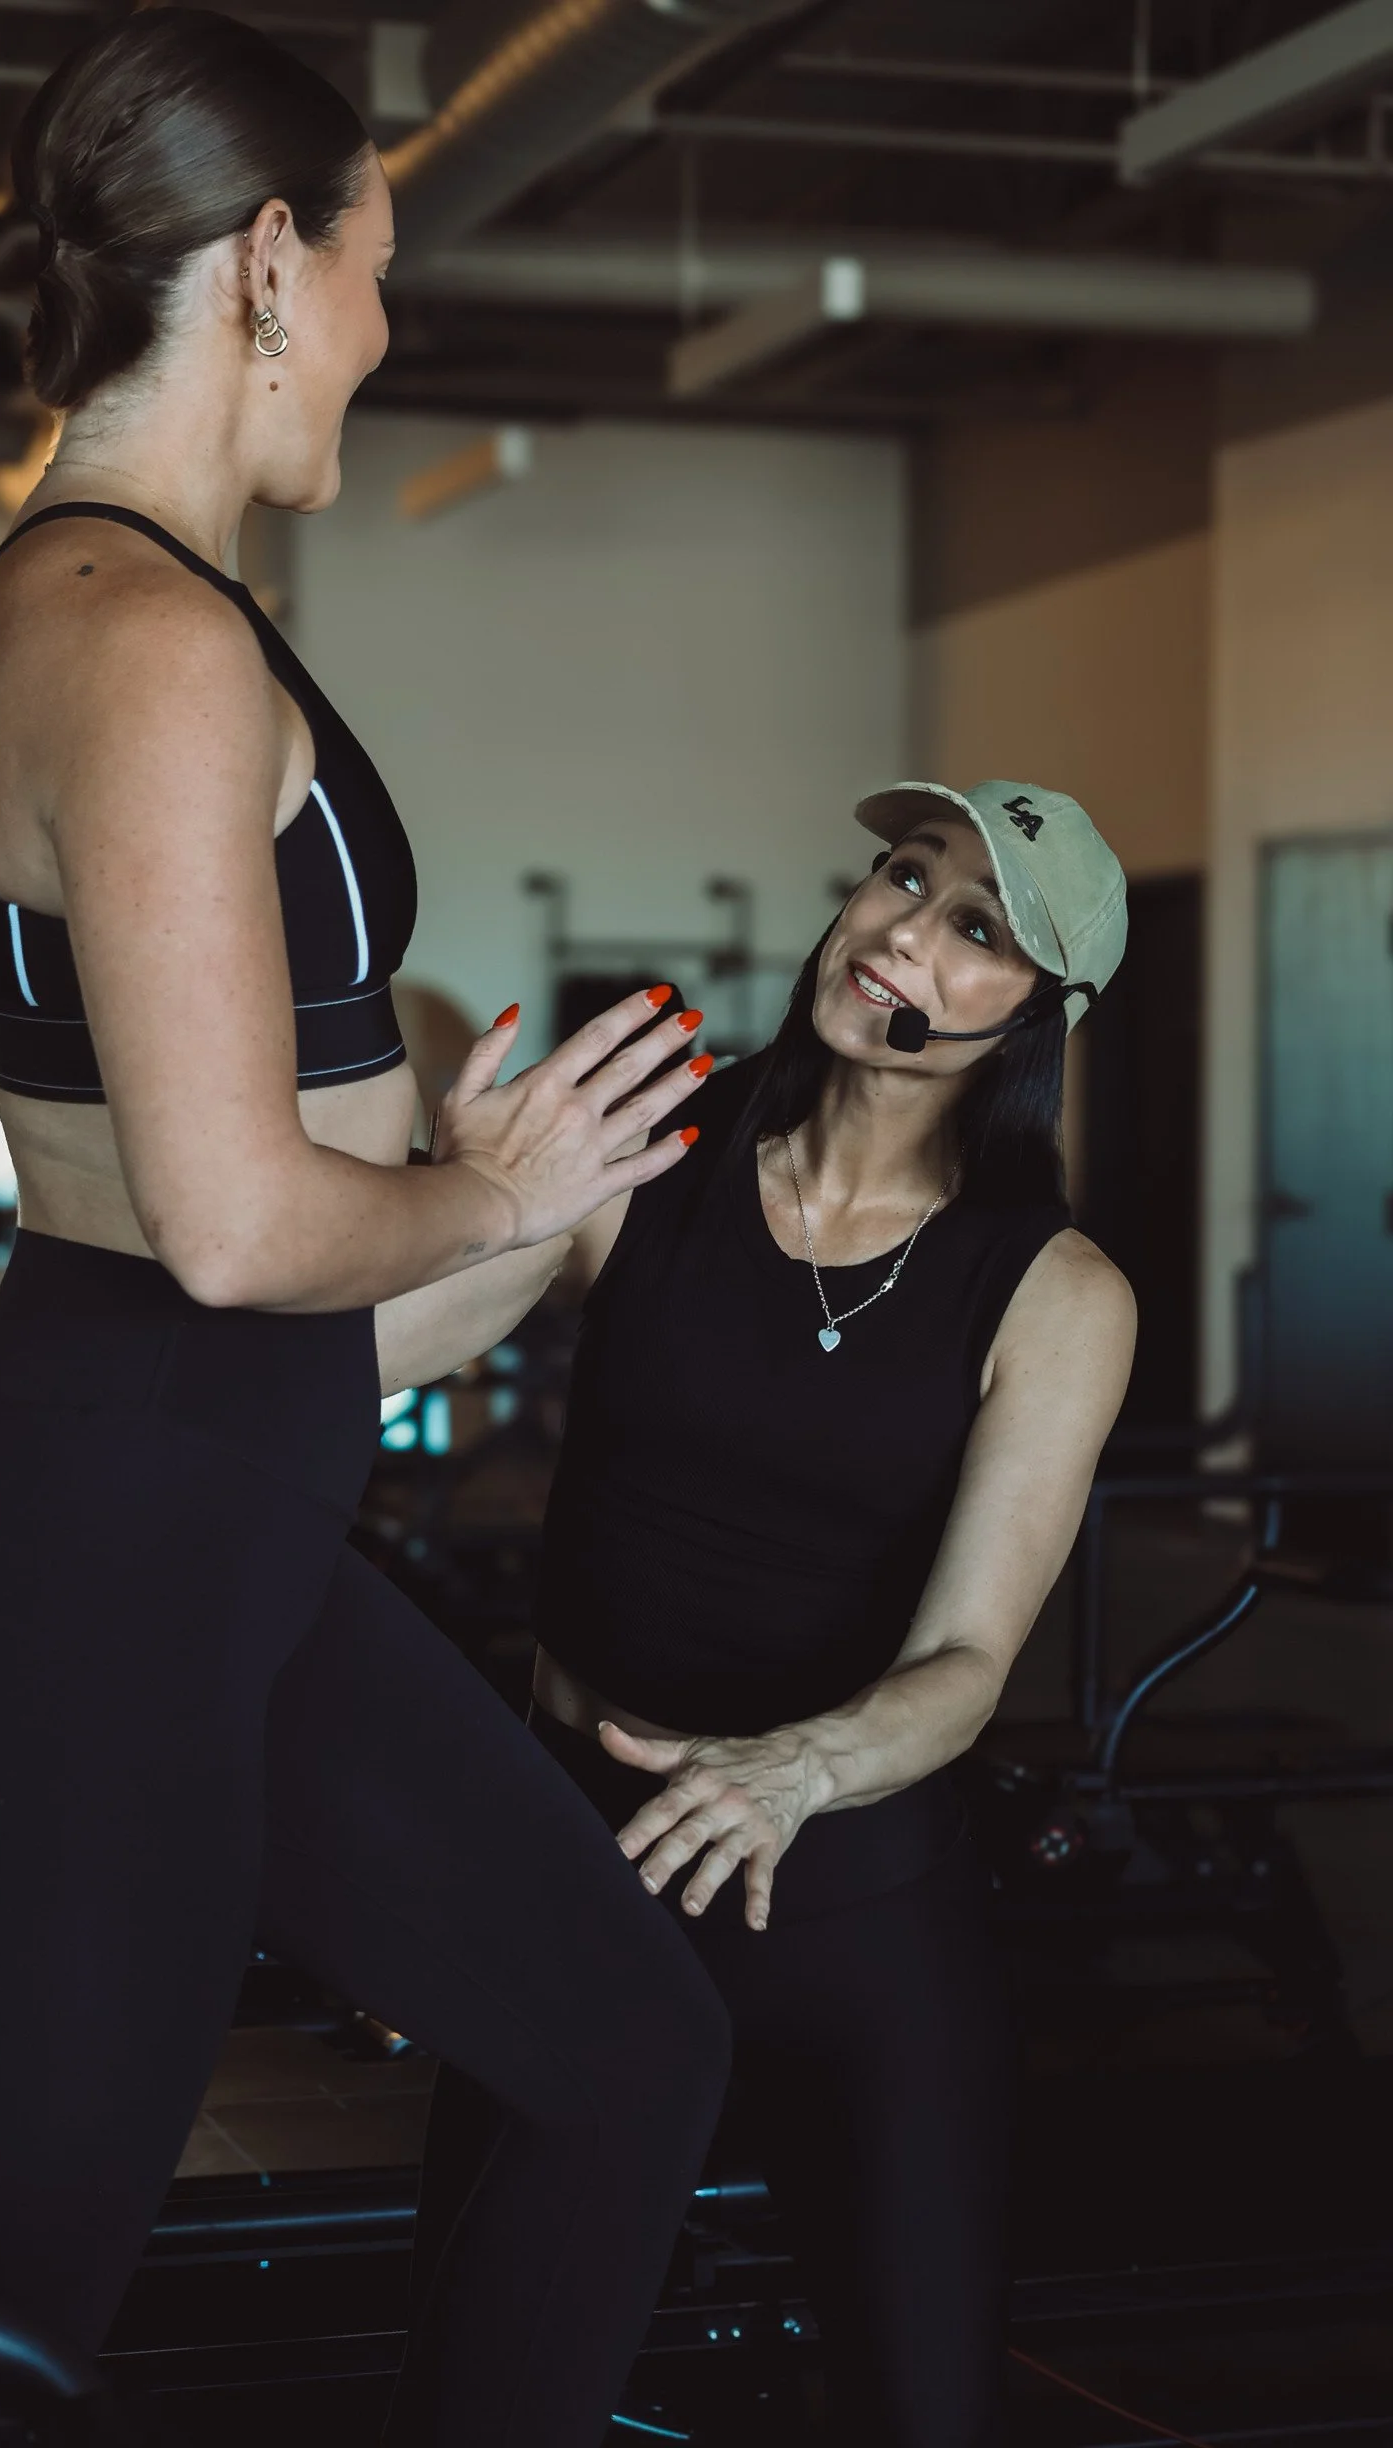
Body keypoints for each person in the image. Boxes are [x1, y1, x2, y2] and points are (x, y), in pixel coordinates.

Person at [0, 15, 731, 2441]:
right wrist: (493, 1178)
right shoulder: (139, 640)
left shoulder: (130, 611)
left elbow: (255, 1279)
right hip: (90, 1588)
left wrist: (548, 1203)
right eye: (375, 267)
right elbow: (228, 1233)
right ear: (262, 264)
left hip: (197, 1525)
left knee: (627, 2046)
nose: (385, 324)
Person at [381, 778, 1137, 2445]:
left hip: (852, 1894)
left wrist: (796, 1769)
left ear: (1039, 1012)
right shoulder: (659, 1157)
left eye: (976, 932)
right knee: (482, 2393)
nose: (901, 934)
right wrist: (469, 1191)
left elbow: (965, 1661)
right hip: (578, 1866)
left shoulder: (1057, 1292)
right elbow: (375, 1362)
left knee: (921, 2406)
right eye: (901, 876)